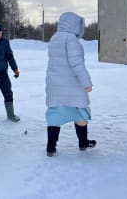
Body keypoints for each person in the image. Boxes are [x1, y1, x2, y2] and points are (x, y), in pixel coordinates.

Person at [45, 12, 96, 157]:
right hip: (72, 85)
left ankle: (51, 147)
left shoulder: (54, 38)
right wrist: (87, 82)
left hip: (55, 85)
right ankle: (83, 142)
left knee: (55, 114)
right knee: (79, 112)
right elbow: (76, 63)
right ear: (75, 25)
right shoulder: (71, 39)